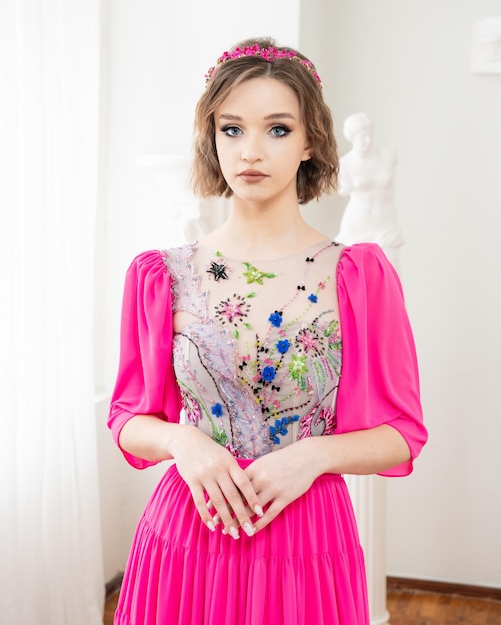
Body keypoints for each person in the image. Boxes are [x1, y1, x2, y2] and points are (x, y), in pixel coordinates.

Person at [108, 37, 428, 625]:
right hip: (186, 534)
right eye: (232, 129)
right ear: (212, 139)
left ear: (310, 141)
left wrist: (311, 456)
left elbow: (403, 434)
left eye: (277, 129)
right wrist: (184, 443)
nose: (251, 150)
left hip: (307, 540)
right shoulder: (160, 275)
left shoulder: (358, 273)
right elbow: (128, 418)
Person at [336, 112, 404, 271]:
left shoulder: (388, 155)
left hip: (386, 223)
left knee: (392, 275)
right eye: (361, 136)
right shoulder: (345, 164)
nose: (367, 140)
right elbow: (342, 189)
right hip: (358, 224)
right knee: (358, 275)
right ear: (352, 138)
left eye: (369, 135)